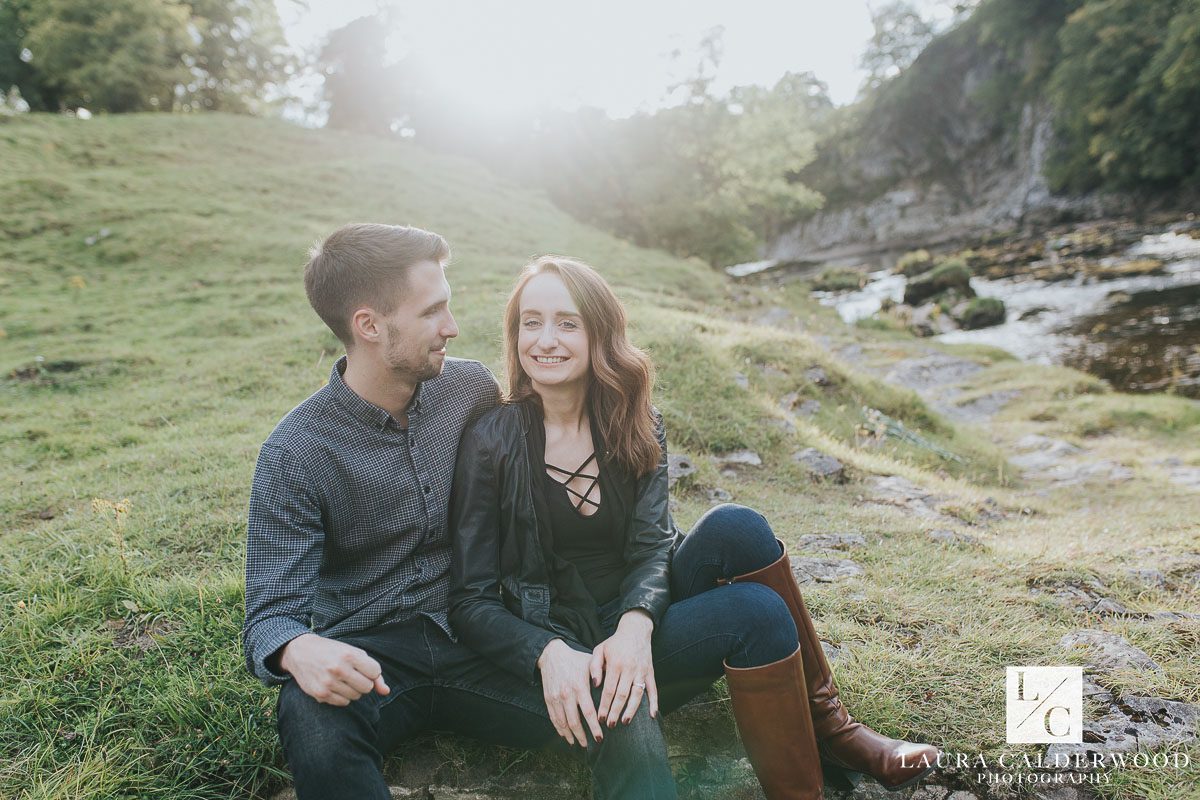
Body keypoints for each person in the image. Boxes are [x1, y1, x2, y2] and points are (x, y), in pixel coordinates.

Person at [449, 256, 940, 800]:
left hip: (648, 620)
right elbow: (470, 600)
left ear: (599, 333)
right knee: (757, 612)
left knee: (737, 526)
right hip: (573, 644)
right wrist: (548, 651)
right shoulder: (491, 440)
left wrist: (635, 627)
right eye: (530, 321)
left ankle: (834, 729)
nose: (546, 340)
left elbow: (653, 545)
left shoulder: (633, 416)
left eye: (568, 323)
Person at [242, 225, 668, 800]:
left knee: (617, 703)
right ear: (370, 326)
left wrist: (562, 639)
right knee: (309, 712)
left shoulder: (467, 388)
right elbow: (270, 615)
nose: (453, 327)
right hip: (376, 660)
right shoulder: (294, 453)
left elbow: (530, 479)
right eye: (433, 312)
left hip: (485, 640)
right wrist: (298, 648)